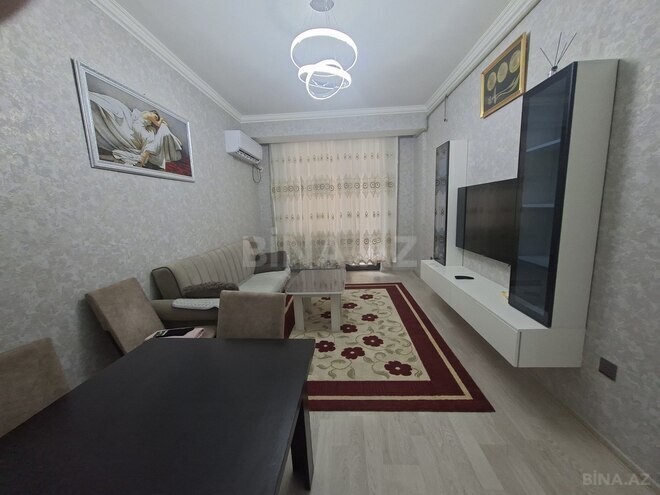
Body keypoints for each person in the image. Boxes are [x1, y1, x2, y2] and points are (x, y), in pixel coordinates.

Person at [88, 92, 183, 170]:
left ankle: (145, 153)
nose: (155, 118)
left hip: (137, 126)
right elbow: (158, 124)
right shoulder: (152, 116)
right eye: (156, 116)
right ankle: (144, 154)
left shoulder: (145, 113)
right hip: (138, 127)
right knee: (149, 138)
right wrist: (161, 121)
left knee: (149, 136)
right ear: (154, 114)